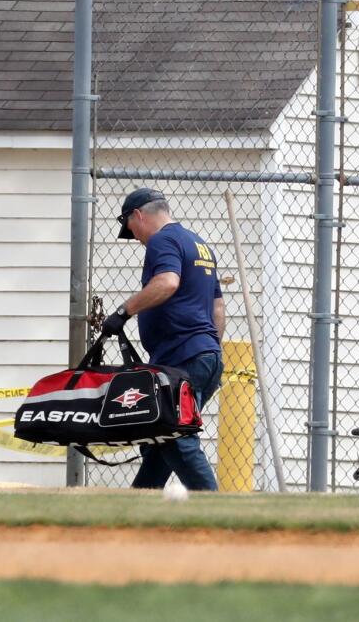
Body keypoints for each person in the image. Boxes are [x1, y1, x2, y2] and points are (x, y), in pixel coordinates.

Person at [100, 187, 224, 491]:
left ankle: (219, 510)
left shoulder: (162, 240)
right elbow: (218, 307)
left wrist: (123, 312)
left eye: (132, 230)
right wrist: (210, 348)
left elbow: (167, 282)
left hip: (182, 360)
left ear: (138, 215)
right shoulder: (199, 245)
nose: (138, 239)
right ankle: (136, 514)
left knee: (176, 438)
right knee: (159, 441)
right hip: (205, 357)